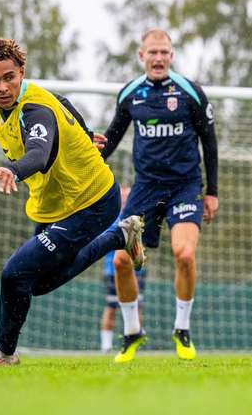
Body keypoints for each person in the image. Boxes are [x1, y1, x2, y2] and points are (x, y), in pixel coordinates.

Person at [0, 38, 145, 367]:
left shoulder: (34, 110)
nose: (3, 87)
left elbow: (38, 153)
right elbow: (62, 100)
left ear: (21, 72)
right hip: (56, 205)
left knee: (14, 274)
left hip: (91, 201)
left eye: (9, 77)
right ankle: (120, 236)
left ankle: (4, 353)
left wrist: (13, 170)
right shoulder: (5, 106)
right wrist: (83, 129)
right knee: (37, 283)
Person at [95, 28, 219, 362]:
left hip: (185, 188)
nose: (159, 58)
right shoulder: (130, 95)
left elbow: (209, 142)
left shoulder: (190, 92)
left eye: (164, 52)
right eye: (153, 52)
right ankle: (132, 331)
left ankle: (182, 328)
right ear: (141, 56)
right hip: (145, 191)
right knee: (122, 261)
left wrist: (212, 192)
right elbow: (112, 139)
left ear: (172, 55)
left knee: (184, 254)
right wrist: (85, 164)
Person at [100, 186, 148, 352]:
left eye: (129, 195)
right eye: (123, 195)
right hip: (112, 271)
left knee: (137, 306)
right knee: (111, 307)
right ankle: (106, 346)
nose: (126, 198)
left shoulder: (138, 218)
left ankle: (135, 340)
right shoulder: (110, 218)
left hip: (137, 271)